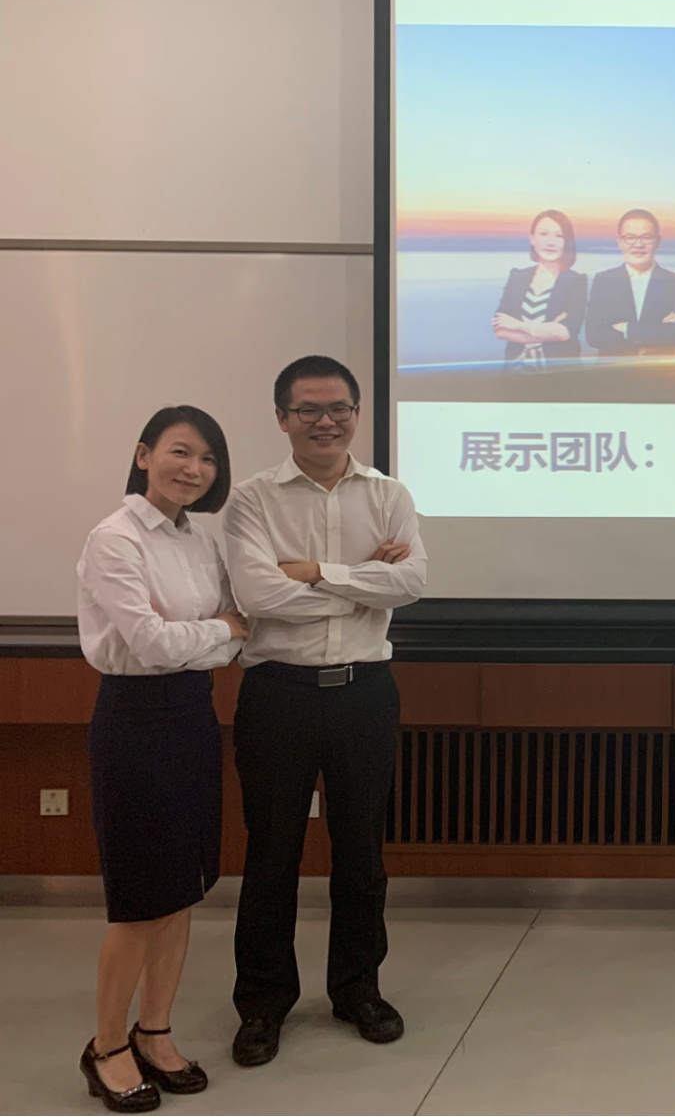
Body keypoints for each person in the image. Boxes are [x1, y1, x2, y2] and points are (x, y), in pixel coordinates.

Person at [224, 355, 428, 1067]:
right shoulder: (251, 500)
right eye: (308, 409)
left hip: (364, 693)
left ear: (357, 413)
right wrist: (364, 582)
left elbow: (412, 582)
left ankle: (357, 990)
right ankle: (262, 1003)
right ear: (282, 418)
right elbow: (258, 597)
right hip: (277, 693)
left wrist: (314, 572)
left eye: (339, 408)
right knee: (271, 854)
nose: (325, 421)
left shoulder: (389, 494)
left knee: (362, 853)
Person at [76, 406, 246, 1110]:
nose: (193, 469)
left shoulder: (200, 538)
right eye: (180, 452)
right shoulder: (113, 539)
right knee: (138, 899)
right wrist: (215, 631)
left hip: (192, 716)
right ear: (144, 454)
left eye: (207, 459)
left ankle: (155, 1030)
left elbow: (237, 630)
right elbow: (149, 644)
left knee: (182, 887)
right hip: (134, 720)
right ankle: (106, 1047)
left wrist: (207, 633)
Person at [585, 208, 675, 355]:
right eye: (630, 237)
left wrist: (626, 328)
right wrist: (656, 333)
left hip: (657, 368)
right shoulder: (604, 281)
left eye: (646, 237)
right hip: (613, 368)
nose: (638, 245)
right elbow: (594, 336)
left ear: (658, 241)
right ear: (619, 242)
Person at [493, 208, 587, 370]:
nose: (551, 242)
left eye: (559, 236)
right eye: (544, 234)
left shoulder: (576, 281)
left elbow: (563, 333)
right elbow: (500, 330)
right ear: (532, 239)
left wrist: (518, 325)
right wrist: (546, 330)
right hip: (514, 373)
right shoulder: (517, 276)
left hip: (558, 375)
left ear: (567, 242)